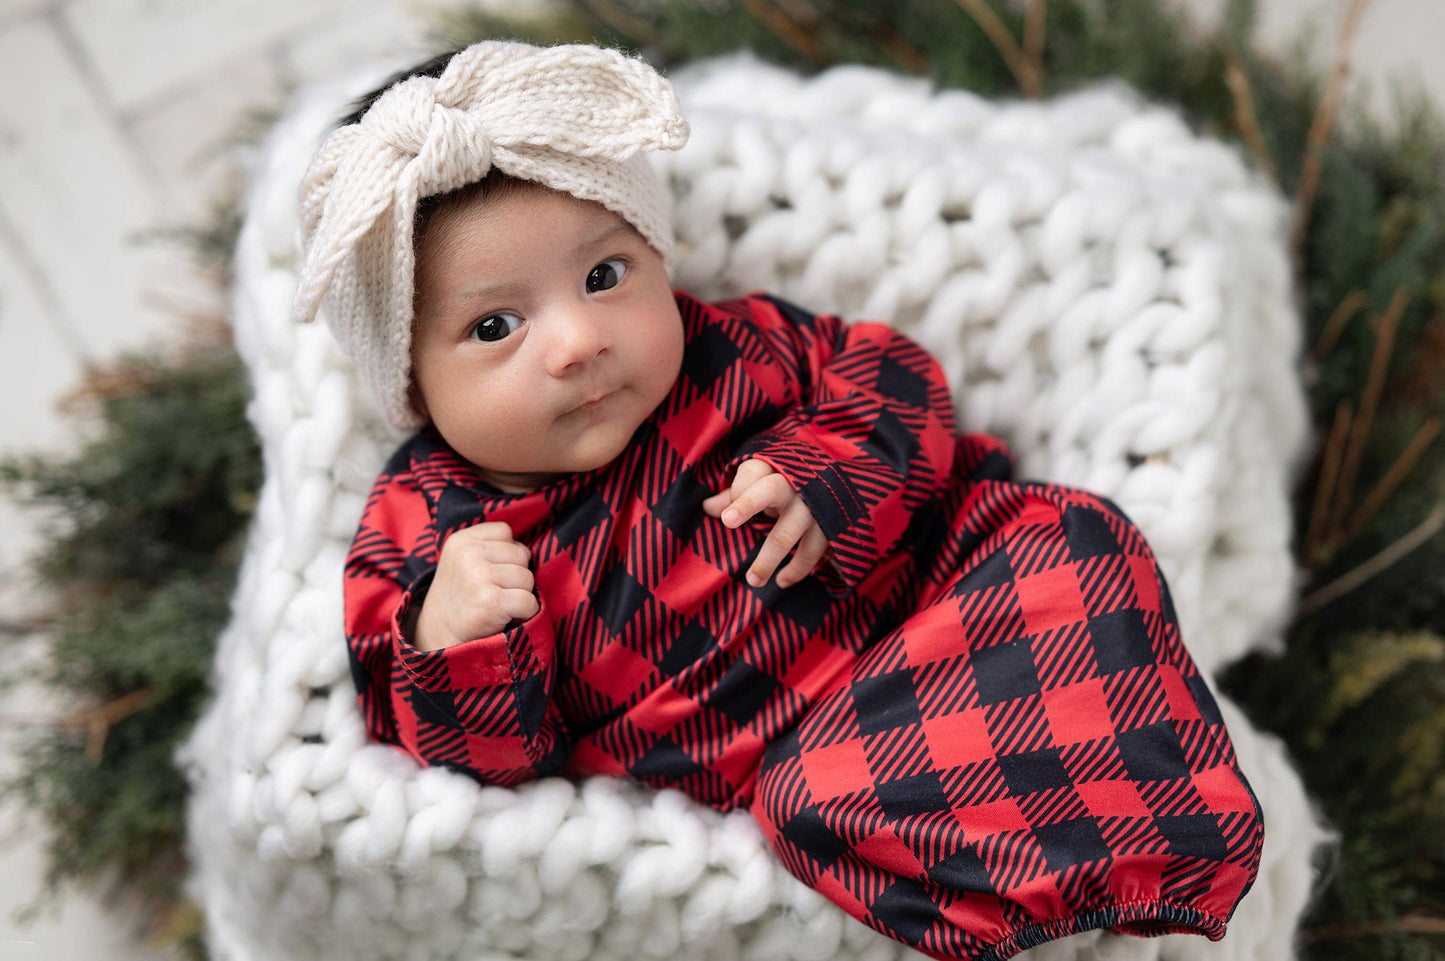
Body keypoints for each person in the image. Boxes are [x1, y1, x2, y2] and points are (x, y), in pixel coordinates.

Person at [295, 39, 1264, 961]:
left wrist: (828, 470)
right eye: (495, 325)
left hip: (939, 598)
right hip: (818, 748)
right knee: (817, 806)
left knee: (1064, 539)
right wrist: (453, 634)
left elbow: (893, 383)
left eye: (602, 275)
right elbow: (473, 765)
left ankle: (1166, 846)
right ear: (412, 382)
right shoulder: (427, 528)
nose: (575, 342)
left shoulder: (735, 350)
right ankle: (1071, 901)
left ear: (657, 259)